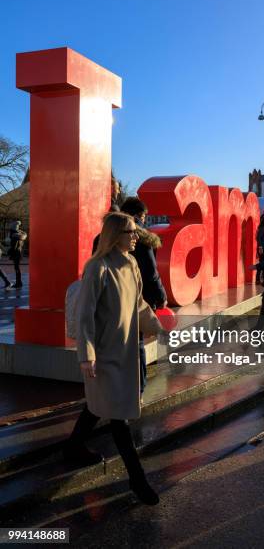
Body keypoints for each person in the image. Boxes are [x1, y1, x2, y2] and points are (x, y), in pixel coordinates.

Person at [64, 212, 162, 505]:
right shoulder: (97, 267)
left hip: (126, 351)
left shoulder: (131, 263)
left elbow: (139, 304)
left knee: (99, 406)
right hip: (104, 355)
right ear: (115, 234)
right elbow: (85, 317)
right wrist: (87, 355)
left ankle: (73, 446)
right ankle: (137, 479)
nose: (136, 236)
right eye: (131, 231)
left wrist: (157, 326)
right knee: (118, 418)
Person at [120, 197, 167, 397]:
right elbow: (150, 272)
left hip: (118, 300)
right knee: (138, 343)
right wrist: (161, 295)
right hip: (139, 296)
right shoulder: (142, 238)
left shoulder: (104, 236)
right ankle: (139, 388)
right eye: (144, 216)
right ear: (139, 215)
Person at [8, 221, 27, 289]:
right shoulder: (20, 235)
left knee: (16, 268)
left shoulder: (15, 236)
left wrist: (9, 252)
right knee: (17, 268)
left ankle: (18, 283)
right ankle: (19, 282)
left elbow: (14, 247)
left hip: (16, 253)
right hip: (19, 253)